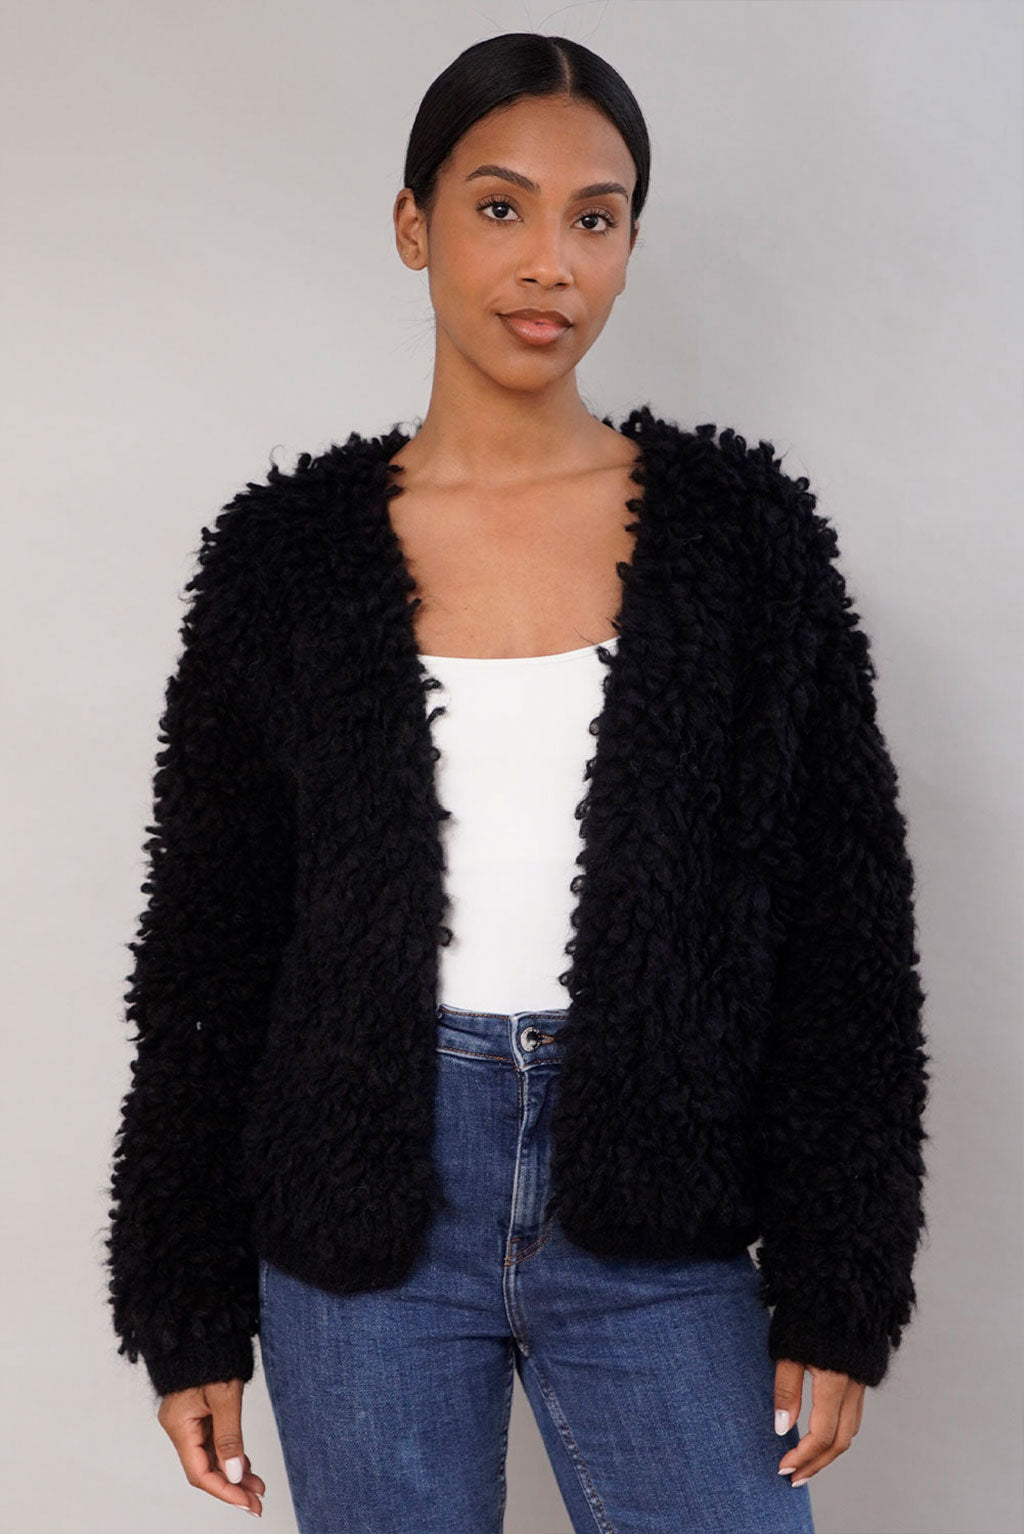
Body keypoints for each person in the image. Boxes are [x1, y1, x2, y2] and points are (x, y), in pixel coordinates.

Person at [104, 31, 931, 1534]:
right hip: (362, 1208)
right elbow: (207, 952)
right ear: (412, 225)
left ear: (629, 245)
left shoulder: (742, 543)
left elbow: (848, 936)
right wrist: (187, 1303)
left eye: (594, 218)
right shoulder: (285, 560)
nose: (551, 261)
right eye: (500, 207)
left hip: (660, 1190)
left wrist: (839, 1279)